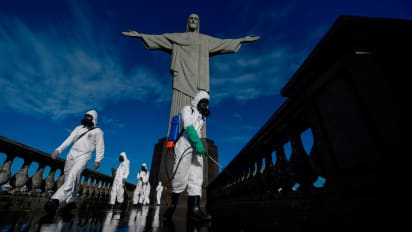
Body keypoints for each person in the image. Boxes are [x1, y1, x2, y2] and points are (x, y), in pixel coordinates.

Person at [122, 13, 259, 136]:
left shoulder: (205, 40)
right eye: (191, 18)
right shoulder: (178, 37)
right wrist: (141, 36)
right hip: (182, 78)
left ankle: (199, 135)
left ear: (198, 23)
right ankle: (174, 133)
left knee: (199, 105)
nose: (193, 20)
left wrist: (241, 40)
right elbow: (160, 39)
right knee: (179, 108)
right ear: (188, 22)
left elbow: (223, 43)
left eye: (196, 19)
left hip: (199, 81)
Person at [163, 90, 211, 221]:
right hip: (184, 143)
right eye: (204, 102)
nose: (206, 106)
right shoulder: (187, 109)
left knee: (197, 175)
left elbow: (198, 132)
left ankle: (194, 210)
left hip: (196, 146)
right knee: (180, 174)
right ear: (198, 101)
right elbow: (188, 125)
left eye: (207, 104)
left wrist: (199, 144)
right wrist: (197, 142)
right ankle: (172, 206)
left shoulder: (203, 118)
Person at [44, 109, 105, 214]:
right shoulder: (78, 128)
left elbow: (100, 146)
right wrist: (58, 150)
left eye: (89, 117)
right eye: (86, 116)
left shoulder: (98, 131)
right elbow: (69, 139)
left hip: (84, 156)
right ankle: (72, 201)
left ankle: (56, 200)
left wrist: (98, 159)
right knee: (70, 178)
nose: (87, 118)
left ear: (94, 119)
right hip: (71, 155)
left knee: (73, 174)